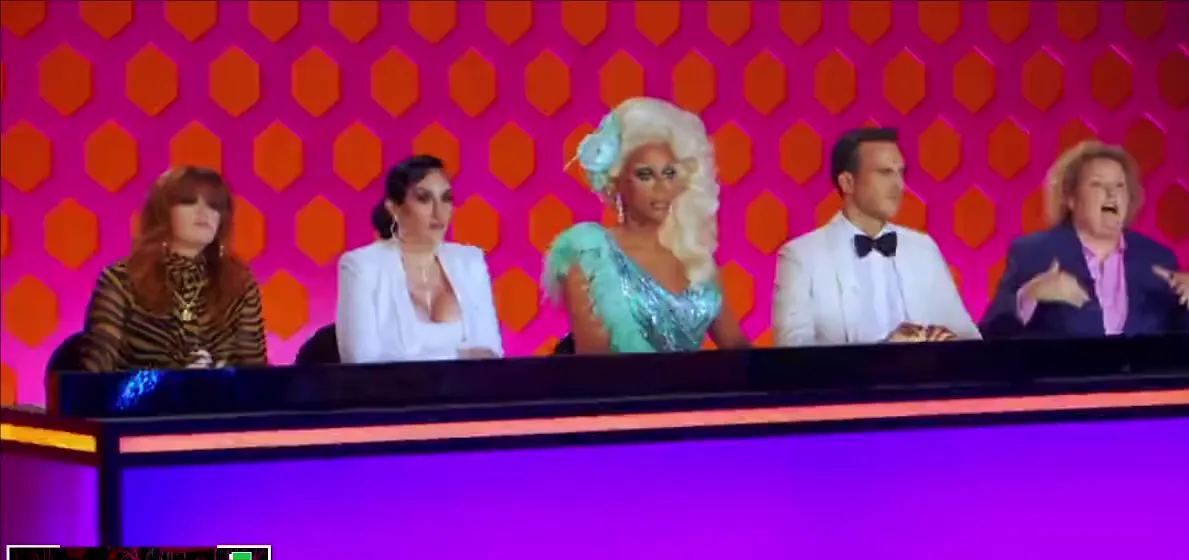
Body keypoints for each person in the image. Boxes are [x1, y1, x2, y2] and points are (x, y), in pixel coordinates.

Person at [543, 97, 749, 353]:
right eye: (645, 175)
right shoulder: (591, 254)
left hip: (700, 381)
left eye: (669, 173)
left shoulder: (694, 256)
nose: (661, 187)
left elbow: (736, 347)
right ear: (616, 181)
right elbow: (595, 360)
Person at [982, 141, 1189, 337]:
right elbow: (990, 338)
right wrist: (1029, 295)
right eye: (1098, 184)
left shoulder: (1158, 258)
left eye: (1120, 186)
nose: (1112, 193)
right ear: (1071, 198)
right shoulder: (1033, 254)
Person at [773, 127, 979, 346]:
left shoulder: (923, 248)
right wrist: (885, 352)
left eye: (900, 173)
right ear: (847, 182)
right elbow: (793, 357)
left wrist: (947, 341)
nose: (899, 186)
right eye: (885, 173)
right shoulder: (801, 256)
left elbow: (969, 339)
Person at [81, 167, 267, 371]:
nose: (203, 212)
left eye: (214, 205)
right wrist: (170, 381)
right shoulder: (120, 280)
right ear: (163, 213)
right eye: (188, 201)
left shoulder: (239, 284)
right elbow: (97, 374)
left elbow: (255, 374)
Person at [336, 155, 503, 363]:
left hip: (469, 385)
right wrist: (456, 356)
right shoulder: (361, 267)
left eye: (446, 198)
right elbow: (360, 362)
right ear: (394, 208)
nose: (439, 213)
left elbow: (491, 355)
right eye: (424, 199)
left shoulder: (470, 262)